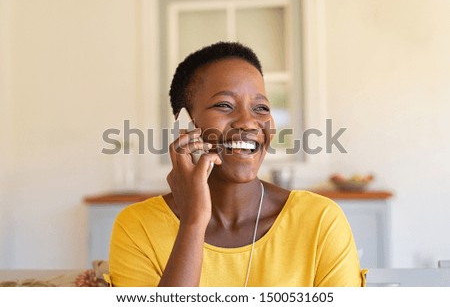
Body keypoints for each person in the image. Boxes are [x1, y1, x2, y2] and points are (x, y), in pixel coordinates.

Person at [108, 42, 366, 287]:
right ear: (186, 124)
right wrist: (193, 222)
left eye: (261, 108)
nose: (248, 121)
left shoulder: (320, 220)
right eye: (224, 105)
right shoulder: (137, 227)